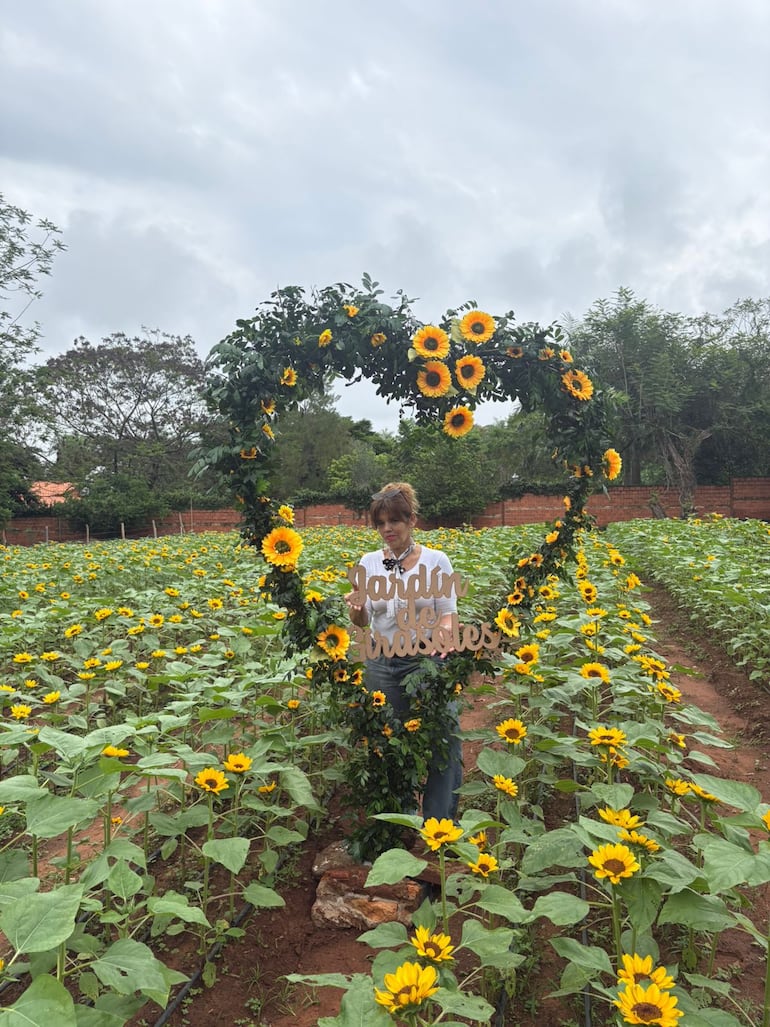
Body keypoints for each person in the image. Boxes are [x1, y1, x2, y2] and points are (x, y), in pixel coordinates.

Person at [344, 482, 462, 822]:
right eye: (380, 523)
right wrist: (356, 608)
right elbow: (364, 620)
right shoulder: (368, 563)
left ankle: (440, 824)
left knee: (443, 737)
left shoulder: (436, 561)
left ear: (412, 520)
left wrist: (442, 639)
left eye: (394, 521)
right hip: (382, 663)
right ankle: (400, 821)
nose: (387, 529)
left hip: (427, 661)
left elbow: (448, 614)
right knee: (389, 739)